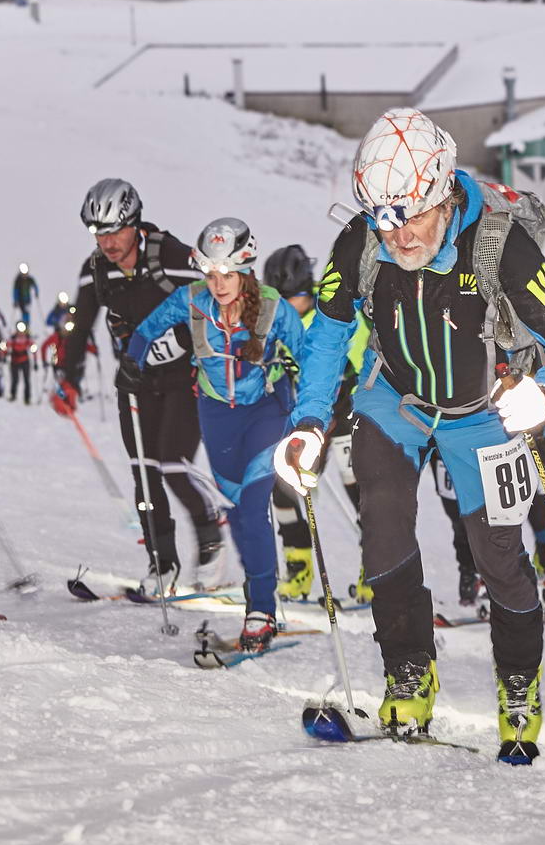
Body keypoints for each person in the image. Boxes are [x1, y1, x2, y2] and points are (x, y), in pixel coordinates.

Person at [275, 110, 545, 762]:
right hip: (396, 399)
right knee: (385, 529)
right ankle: (408, 669)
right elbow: (330, 335)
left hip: (483, 413)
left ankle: (518, 687)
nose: (395, 234)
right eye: (382, 217)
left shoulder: (499, 243)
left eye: (409, 216)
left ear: (443, 193)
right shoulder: (364, 241)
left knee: (498, 558)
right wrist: (309, 422)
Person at [127, 220, 304, 647]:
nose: (218, 283)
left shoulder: (273, 306)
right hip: (216, 416)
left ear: (245, 267)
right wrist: (133, 360)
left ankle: (261, 607)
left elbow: (311, 352)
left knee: (256, 504)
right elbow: (146, 330)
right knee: (240, 512)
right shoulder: (192, 301)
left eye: (226, 273)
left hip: (265, 410)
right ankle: (257, 595)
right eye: (210, 273)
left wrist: (315, 402)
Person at [52, 179, 223, 588]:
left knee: (172, 465)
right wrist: (67, 377)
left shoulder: (173, 255)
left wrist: (183, 341)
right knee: (144, 473)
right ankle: (161, 563)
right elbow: (80, 327)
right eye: (99, 232)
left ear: (134, 222)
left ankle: (210, 534)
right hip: (135, 381)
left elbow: (216, 300)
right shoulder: (96, 269)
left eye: (115, 231)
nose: (107, 242)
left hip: (186, 379)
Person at [262, 245, 369, 604]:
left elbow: (357, 363)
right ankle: (299, 569)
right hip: (309, 420)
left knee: (361, 491)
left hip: (349, 412)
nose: (291, 307)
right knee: (285, 490)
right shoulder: (275, 325)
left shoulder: (331, 313)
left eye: (298, 298)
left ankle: (376, 569)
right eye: (283, 300)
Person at [7, 322, 37, 404]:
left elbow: (33, 348)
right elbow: (7, 346)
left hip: (25, 360)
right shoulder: (13, 337)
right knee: (15, 379)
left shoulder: (27, 337)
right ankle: (13, 395)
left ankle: (27, 398)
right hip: (14, 360)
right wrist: (5, 353)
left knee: (27, 380)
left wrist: (35, 361)